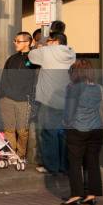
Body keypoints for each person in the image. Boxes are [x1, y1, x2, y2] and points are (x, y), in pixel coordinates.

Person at [28, 32, 76, 174]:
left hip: (49, 100)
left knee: (49, 133)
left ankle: (51, 166)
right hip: (66, 100)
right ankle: (64, 165)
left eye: (48, 40)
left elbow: (31, 56)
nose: (47, 42)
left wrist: (40, 46)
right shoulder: (71, 53)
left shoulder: (47, 51)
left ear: (55, 41)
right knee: (63, 134)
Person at [61, 59, 103, 205]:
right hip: (96, 128)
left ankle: (76, 195)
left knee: (74, 162)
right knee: (92, 162)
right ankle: (91, 194)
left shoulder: (73, 88)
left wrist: (66, 124)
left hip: (77, 129)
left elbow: (69, 112)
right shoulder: (98, 87)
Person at [0, 32, 37, 161]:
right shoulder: (12, 59)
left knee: (22, 131)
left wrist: (30, 96)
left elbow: (34, 78)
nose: (15, 43)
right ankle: (12, 154)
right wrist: (4, 94)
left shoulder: (34, 59)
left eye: (18, 41)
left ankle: (21, 154)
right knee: (9, 129)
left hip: (24, 100)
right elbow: (4, 78)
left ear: (27, 42)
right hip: (7, 99)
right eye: (15, 40)